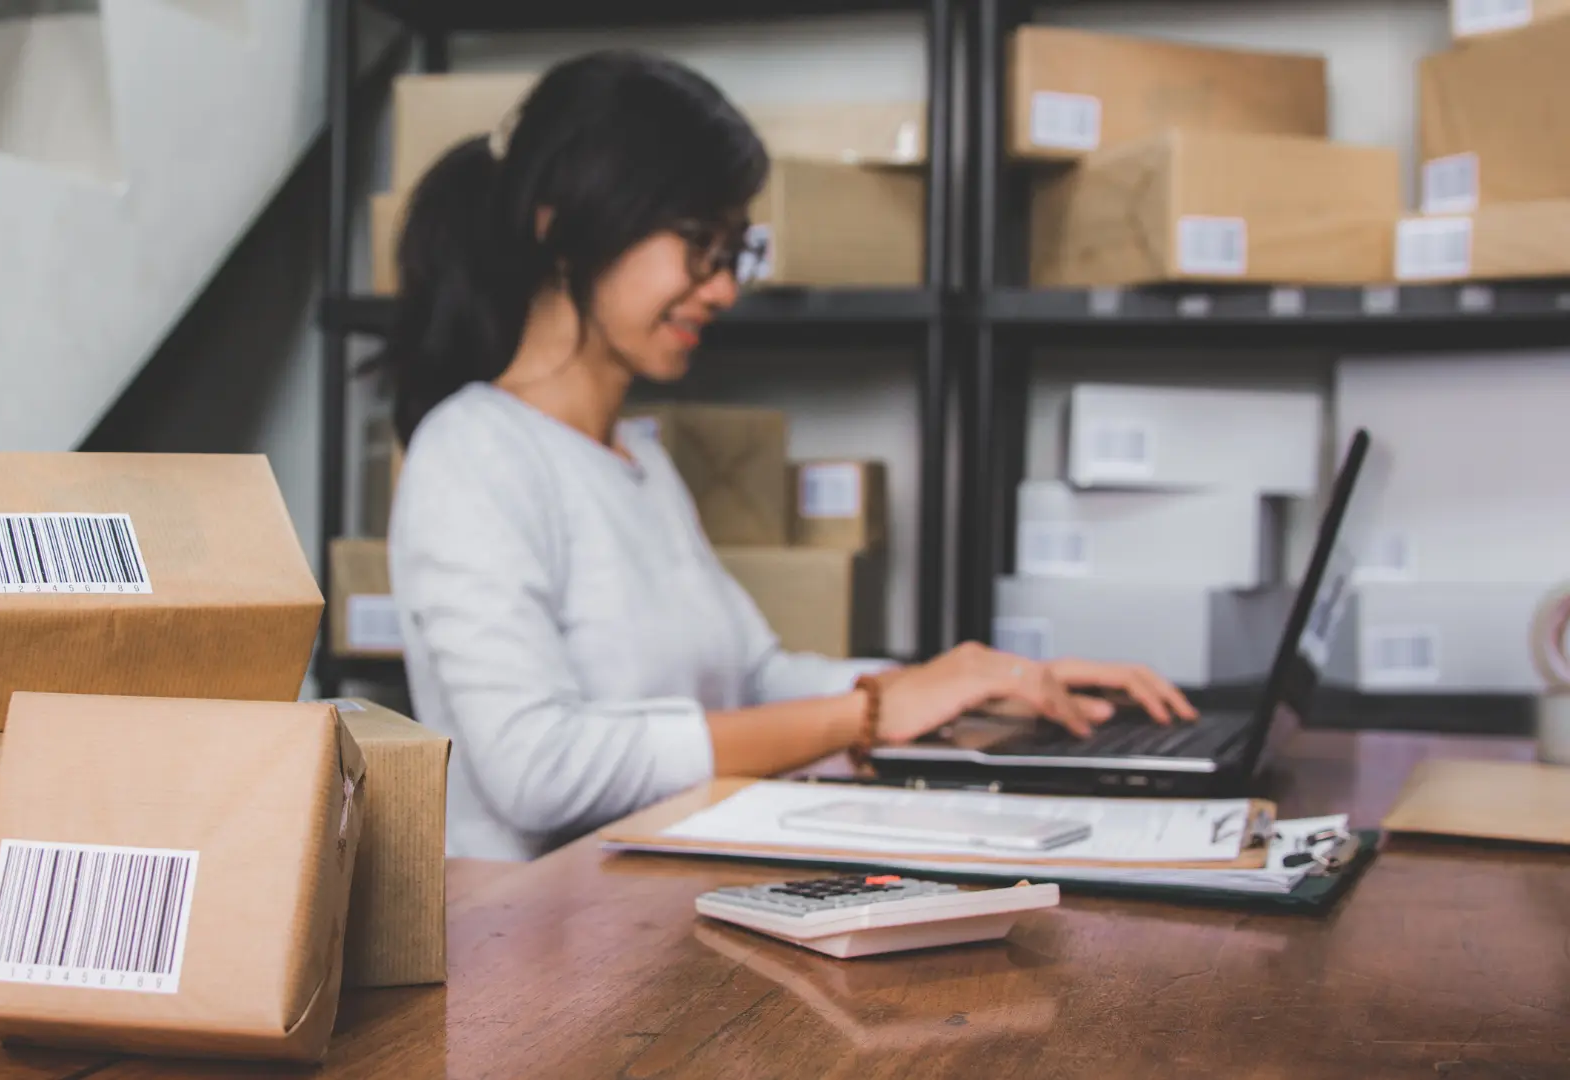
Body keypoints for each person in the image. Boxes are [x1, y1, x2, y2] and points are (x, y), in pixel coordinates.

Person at [377, 50, 1196, 861]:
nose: (726, 288)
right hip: (542, 958)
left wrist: (983, 681)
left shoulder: (637, 462)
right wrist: (869, 713)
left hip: (650, 920)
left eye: (735, 251)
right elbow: (538, 769)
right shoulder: (472, 454)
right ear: (561, 223)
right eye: (699, 242)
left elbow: (755, 679)